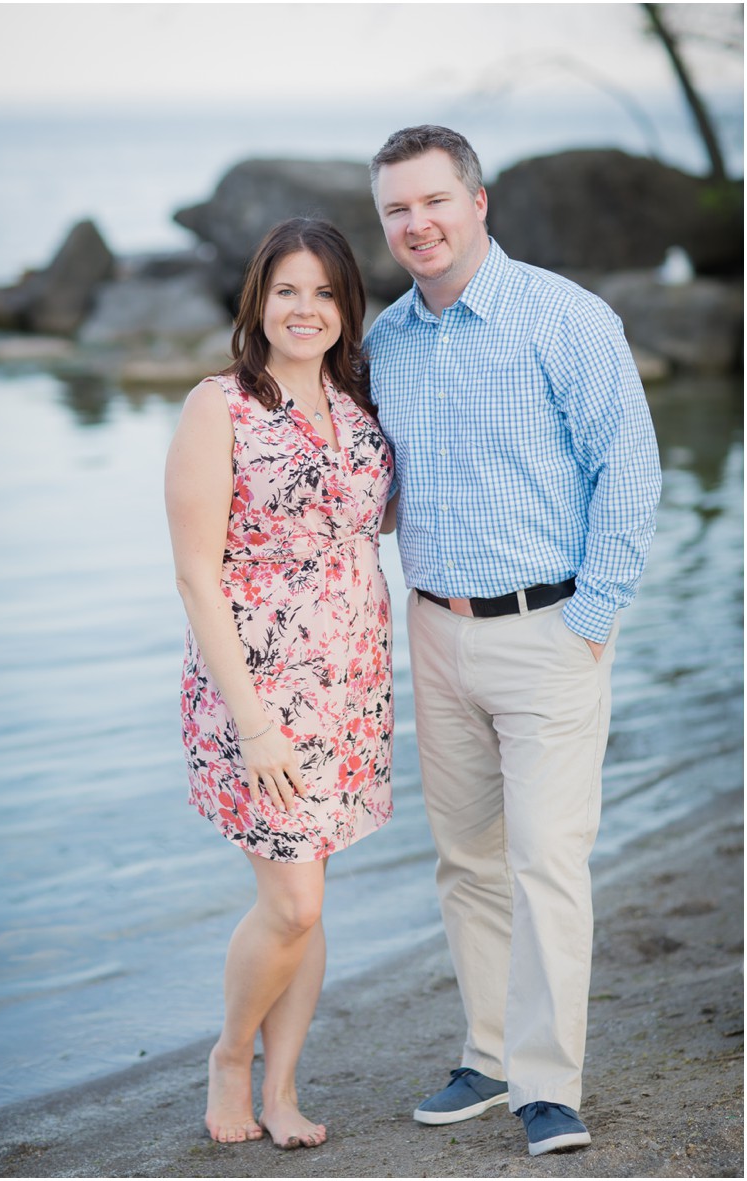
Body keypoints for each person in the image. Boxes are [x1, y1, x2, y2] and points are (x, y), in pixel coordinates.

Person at [366, 125, 661, 1157]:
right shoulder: (386, 342)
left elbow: (628, 471)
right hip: (435, 632)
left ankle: (547, 1082)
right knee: (468, 860)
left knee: (545, 858)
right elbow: (375, 487)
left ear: (477, 202)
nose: (417, 223)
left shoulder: (564, 319)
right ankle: (486, 1054)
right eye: (396, 208)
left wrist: (590, 618)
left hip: (549, 629)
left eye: (433, 201)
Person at [165, 218, 394, 1150]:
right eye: (289, 290)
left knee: (312, 898)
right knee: (291, 901)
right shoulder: (217, 406)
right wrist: (254, 724)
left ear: (349, 306)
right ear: (258, 297)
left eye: (327, 293)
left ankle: (285, 1086)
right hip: (254, 692)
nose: (308, 310)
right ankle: (229, 1055)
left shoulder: (359, 401)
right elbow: (194, 574)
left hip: (354, 683)